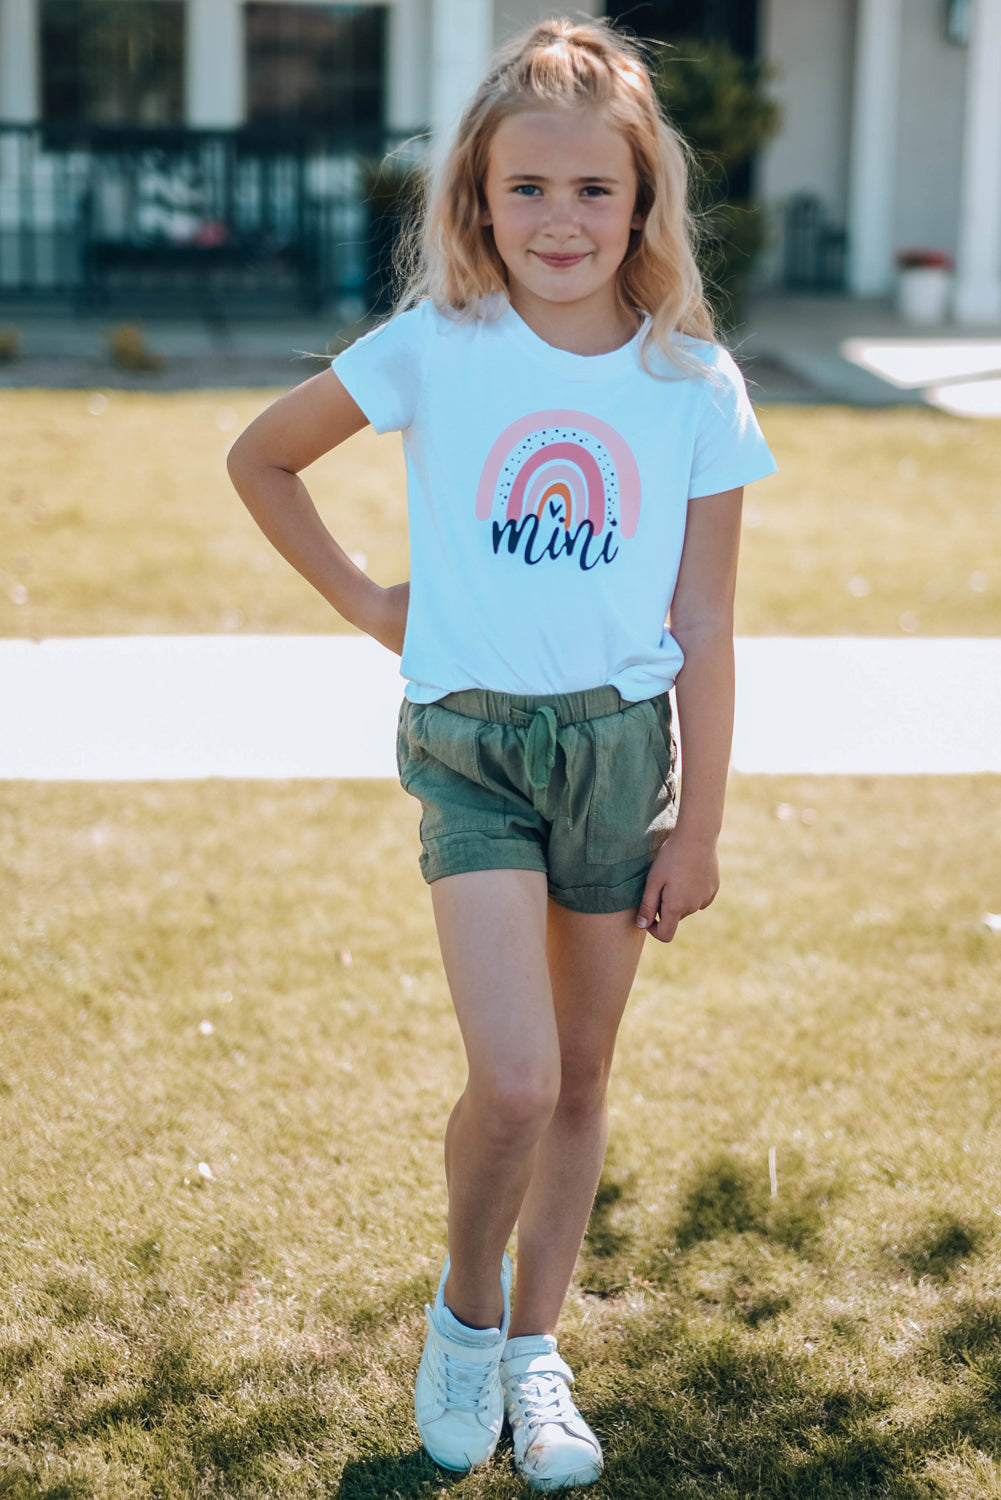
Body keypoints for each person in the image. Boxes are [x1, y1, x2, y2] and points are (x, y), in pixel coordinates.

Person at [227, 16, 777, 1491]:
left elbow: (706, 621)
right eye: (526, 187)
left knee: (582, 1077)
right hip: (471, 747)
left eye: (594, 188)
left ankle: (538, 1351)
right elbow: (261, 457)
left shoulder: (693, 384)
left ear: (643, 202)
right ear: (477, 196)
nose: (560, 218)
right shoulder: (435, 348)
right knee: (518, 1080)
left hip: (620, 755)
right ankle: (466, 1319)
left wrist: (700, 828)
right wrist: (373, 605)